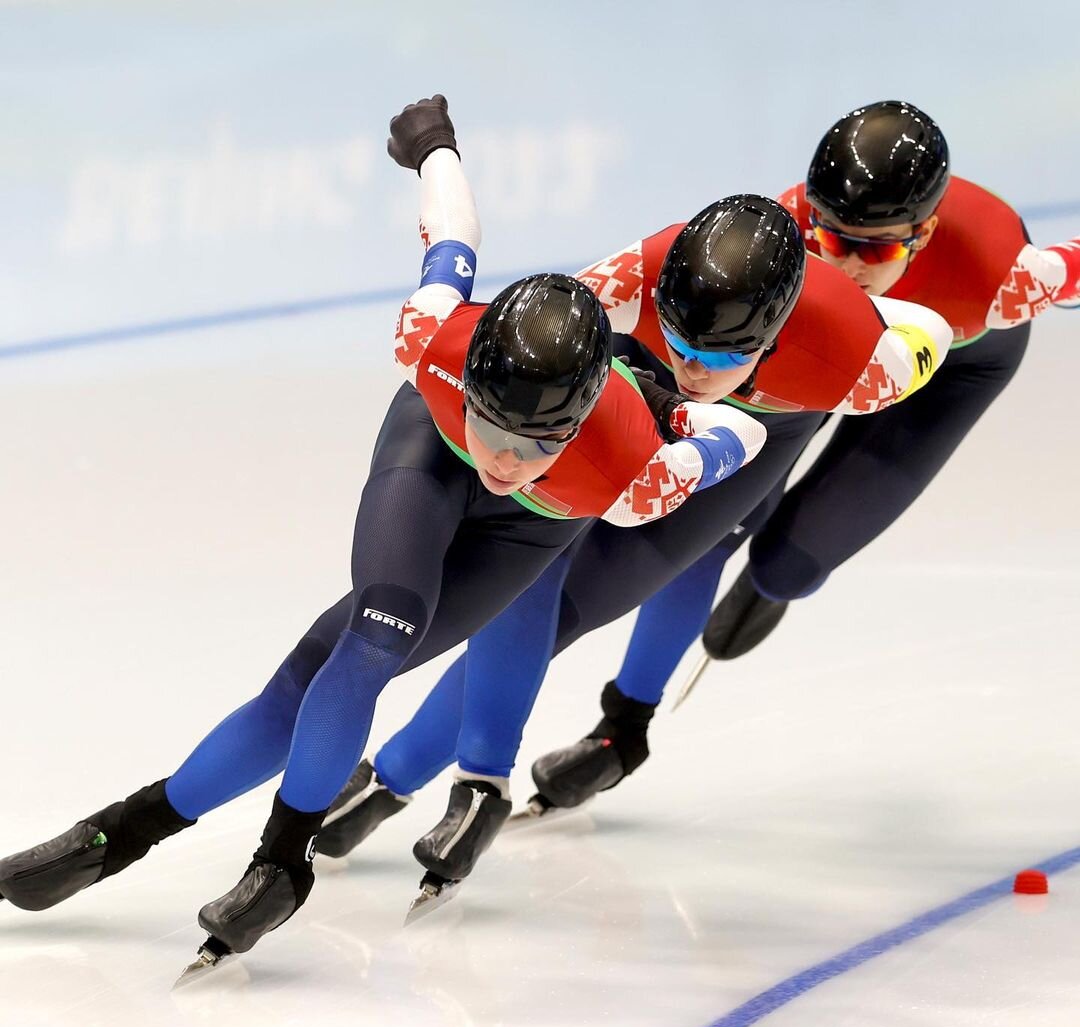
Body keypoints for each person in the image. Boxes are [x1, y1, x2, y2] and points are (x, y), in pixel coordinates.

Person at [0, 98, 767, 968]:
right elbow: (453, 234)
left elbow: (741, 431)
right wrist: (434, 146)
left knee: (329, 672)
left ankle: (249, 853)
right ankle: (167, 838)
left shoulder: (626, 459)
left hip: (532, 532)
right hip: (428, 460)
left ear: (585, 423)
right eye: (497, 427)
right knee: (360, 646)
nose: (508, 460)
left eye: (538, 442)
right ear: (466, 378)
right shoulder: (433, 340)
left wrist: (686, 463)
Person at [316, 177, 954, 904]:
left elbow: (932, 330)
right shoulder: (636, 275)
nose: (695, 367)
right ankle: (437, 781)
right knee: (528, 586)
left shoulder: (865, 365)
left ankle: (578, 739)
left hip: (747, 449)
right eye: (680, 337)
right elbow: (534, 338)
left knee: (591, 600)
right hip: (634, 410)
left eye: (721, 357)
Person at [518, 100, 1080, 818]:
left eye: (872, 250)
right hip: (826, 358)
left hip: (947, 372)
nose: (843, 261)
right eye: (829, 236)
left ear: (925, 233)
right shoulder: (779, 240)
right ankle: (623, 729)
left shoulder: (1006, 277)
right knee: (707, 533)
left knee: (790, 561)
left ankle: (771, 580)